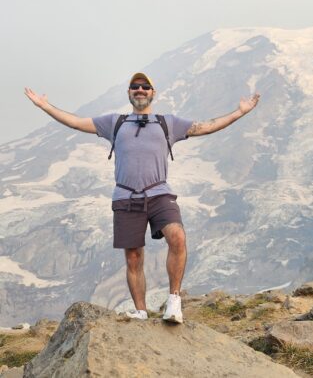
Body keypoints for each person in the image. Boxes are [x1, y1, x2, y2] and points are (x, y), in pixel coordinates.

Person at [24, 72, 260, 323]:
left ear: (153, 93)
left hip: (159, 193)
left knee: (177, 237)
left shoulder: (167, 123)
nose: (140, 90)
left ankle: (174, 302)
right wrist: (44, 106)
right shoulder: (114, 122)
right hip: (126, 196)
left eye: (145, 87)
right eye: (135, 86)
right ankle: (141, 311)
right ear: (129, 93)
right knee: (133, 257)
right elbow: (75, 122)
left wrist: (239, 112)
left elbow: (205, 127)